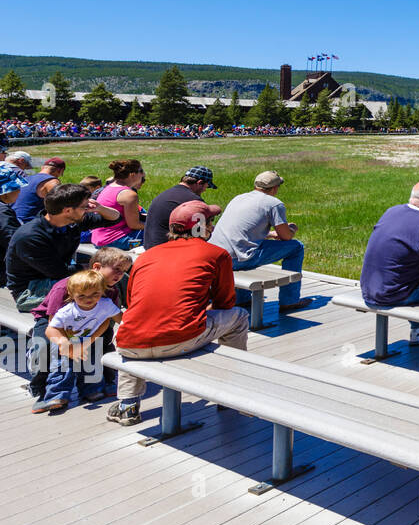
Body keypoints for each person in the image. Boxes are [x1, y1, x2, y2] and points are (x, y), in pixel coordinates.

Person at [110, 199, 249, 427]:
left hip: (128, 344)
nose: (212, 227)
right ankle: (230, 390)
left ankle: (128, 405)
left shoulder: (146, 256)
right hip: (179, 339)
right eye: (209, 222)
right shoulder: (216, 253)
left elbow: (133, 302)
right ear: (199, 226)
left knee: (134, 327)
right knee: (240, 315)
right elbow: (226, 303)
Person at [26, 247, 133, 404]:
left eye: (123, 271)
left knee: (103, 342)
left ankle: (101, 382)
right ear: (96, 267)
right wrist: (67, 343)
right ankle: (40, 387)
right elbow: (53, 322)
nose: (120, 274)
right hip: (54, 322)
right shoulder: (65, 287)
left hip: (91, 321)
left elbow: (107, 320)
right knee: (46, 347)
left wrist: (87, 342)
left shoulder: (111, 291)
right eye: (116, 269)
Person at [360, 180, 419, 344]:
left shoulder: (391, 211)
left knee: (413, 273)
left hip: (370, 289)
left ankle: (418, 330)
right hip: (394, 293)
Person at [5, 183, 123, 311]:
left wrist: (99, 208)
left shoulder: (70, 222)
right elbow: (59, 272)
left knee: (112, 278)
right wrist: (94, 269)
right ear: (67, 210)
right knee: (102, 284)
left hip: (56, 278)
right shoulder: (31, 236)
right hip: (30, 291)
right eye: (84, 207)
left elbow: (115, 218)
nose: (87, 209)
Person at [209, 171, 309, 313]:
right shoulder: (274, 204)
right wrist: (292, 228)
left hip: (218, 257)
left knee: (243, 248)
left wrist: (269, 234)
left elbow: (241, 231)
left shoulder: (239, 198)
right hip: (238, 260)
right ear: (274, 188)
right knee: (296, 247)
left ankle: (242, 299)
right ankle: (290, 301)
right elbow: (286, 237)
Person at [32, 269, 120, 413]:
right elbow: (50, 329)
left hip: (89, 340)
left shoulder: (106, 304)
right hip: (66, 340)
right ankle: (57, 396)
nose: (88, 299)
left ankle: (91, 390)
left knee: (91, 366)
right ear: (72, 295)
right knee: (62, 368)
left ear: (102, 291)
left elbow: (121, 318)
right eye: (82, 296)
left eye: (94, 294)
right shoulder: (67, 310)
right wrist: (62, 342)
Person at [141, 167, 216, 250]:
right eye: (207, 186)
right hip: (166, 250)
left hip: (149, 246)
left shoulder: (165, 194)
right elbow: (200, 235)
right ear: (200, 183)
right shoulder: (193, 201)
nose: (205, 190)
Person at [90, 159, 148, 248]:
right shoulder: (129, 194)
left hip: (98, 238)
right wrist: (154, 225)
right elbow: (134, 225)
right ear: (132, 174)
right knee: (161, 235)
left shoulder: (108, 188)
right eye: (141, 171)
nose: (143, 174)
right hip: (114, 240)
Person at [10, 157, 66, 222]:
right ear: (60, 171)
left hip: (13, 220)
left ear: (42, 167)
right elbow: (62, 204)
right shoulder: (52, 182)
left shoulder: (26, 179)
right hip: (29, 223)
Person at [0, 164, 23, 268]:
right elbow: (15, 242)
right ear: (5, 192)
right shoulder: (3, 212)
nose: (20, 191)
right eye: (17, 188)